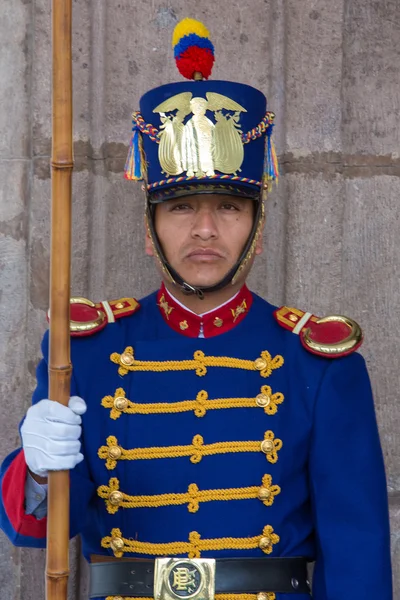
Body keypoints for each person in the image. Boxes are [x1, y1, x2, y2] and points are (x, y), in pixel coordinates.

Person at [0, 17, 392, 600]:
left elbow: (357, 559)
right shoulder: (83, 349)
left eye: (229, 207)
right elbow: (36, 530)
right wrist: (33, 470)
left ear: (256, 226)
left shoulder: (319, 362)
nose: (205, 230)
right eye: (181, 207)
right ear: (150, 225)